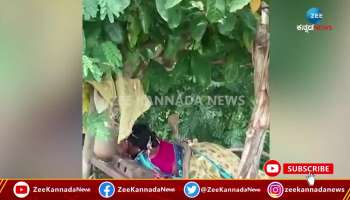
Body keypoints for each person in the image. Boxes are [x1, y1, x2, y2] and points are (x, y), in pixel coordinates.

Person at [120, 124, 184, 178]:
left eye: (127, 143)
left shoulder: (146, 161)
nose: (124, 143)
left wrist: (164, 176)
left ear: (137, 148)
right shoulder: (161, 142)